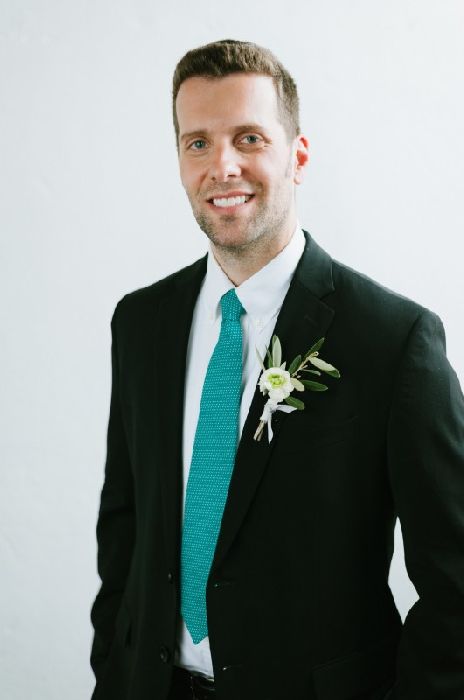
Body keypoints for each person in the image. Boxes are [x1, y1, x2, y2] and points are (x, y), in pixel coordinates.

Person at [90, 39, 464, 700]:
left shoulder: (393, 340)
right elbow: (125, 529)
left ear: (298, 155)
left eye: (249, 138)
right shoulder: (141, 323)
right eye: (198, 143)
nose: (222, 166)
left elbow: (455, 580)